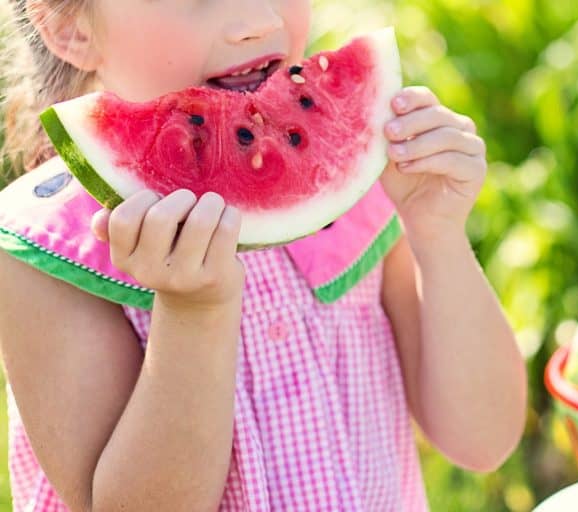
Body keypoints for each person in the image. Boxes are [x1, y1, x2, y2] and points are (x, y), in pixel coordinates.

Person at [0, 1, 527, 510]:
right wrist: (193, 315)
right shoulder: (48, 251)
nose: (259, 21)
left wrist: (439, 236)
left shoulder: (362, 181)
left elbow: (483, 440)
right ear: (71, 29)